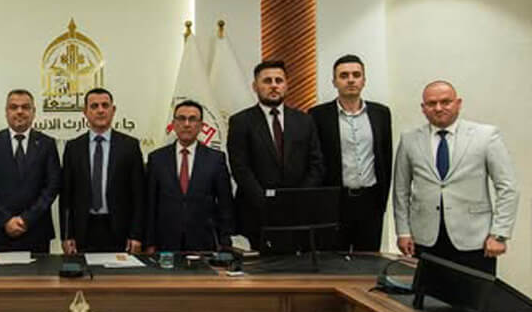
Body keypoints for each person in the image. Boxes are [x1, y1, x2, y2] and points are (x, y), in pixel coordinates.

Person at [393, 81, 518, 274]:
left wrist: (499, 235)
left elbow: (508, 187)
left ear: (458, 104)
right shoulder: (409, 139)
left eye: (445, 102)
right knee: (428, 292)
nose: (438, 108)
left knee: (474, 293)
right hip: (425, 239)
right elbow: (400, 191)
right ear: (423, 108)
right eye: (431, 103)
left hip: (476, 240)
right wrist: (403, 232)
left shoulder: (486, 136)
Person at [227, 60, 323, 251]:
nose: (273, 85)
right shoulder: (240, 121)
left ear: (286, 85)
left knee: (295, 267)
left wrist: (298, 199)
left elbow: (316, 164)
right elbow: (240, 168)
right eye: (267, 81)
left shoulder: (304, 120)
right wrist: (266, 203)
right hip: (255, 212)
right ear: (255, 86)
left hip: (297, 213)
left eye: (279, 80)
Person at [309, 55, 392, 252]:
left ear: (364, 80)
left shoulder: (381, 113)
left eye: (356, 75)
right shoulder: (318, 115)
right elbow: (314, 161)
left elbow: (386, 157)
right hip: (335, 202)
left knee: (369, 260)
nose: (351, 80)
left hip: (370, 201)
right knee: (334, 261)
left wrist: (382, 200)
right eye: (344, 76)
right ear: (334, 82)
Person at [60, 88, 144, 254]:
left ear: (113, 110)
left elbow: (139, 195)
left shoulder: (130, 146)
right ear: (85, 112)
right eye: (94, 106)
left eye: (105, 105)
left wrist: (136, 234)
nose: (100, 110)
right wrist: (67, 235)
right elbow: (66, 197)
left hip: (120, 230)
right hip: (83, 230)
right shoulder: (73, 148)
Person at [145, 100, 234, 251]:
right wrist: (149, 242)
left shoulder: (216, 159)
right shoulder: (157, 159)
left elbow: (225, 203)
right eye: (181, 119)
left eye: (192, 119)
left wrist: (225, 241)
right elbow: (150, 204)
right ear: (173, 124)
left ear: (201, 125)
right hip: (165, 241)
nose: (186, 124)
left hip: (204, 241)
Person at [0, 90, 61, 253]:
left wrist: (26, 219)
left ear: (33, 112)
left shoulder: (47, 144)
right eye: (14, 107)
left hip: (36, 231)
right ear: (6, 112)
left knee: (39, 271)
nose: (19, 111)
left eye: (25, 107)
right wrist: (6, 220)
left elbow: (52, 187)